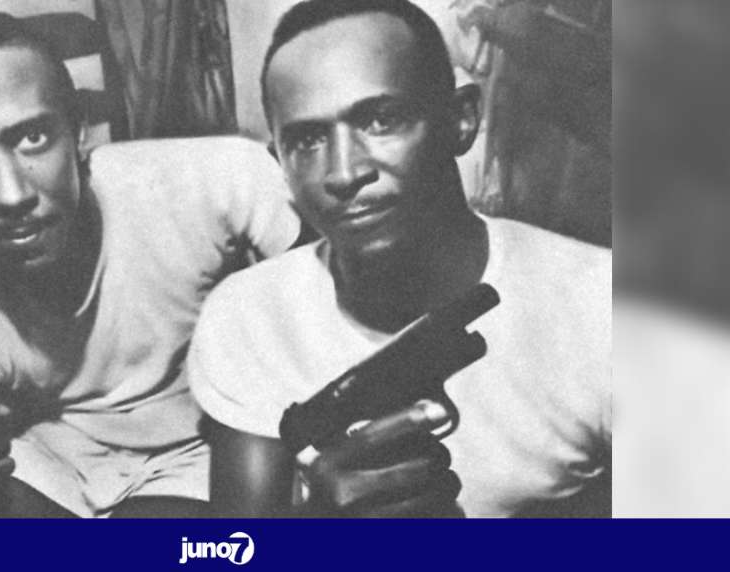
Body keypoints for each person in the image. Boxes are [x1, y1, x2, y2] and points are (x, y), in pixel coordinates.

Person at [188, 0, 610, 517]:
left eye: (381, 120)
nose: (344, 173)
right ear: (279, 164)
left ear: (461, 120)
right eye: (308, 140)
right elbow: (234, 549)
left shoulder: (604, 302)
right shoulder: (247, 314)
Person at [0, 7, 300, 517]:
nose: (12, 194)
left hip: (205, 447)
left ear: (79, 131)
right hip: (55, 464)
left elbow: (336, 300)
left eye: (33, 138)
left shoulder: (211, 181)